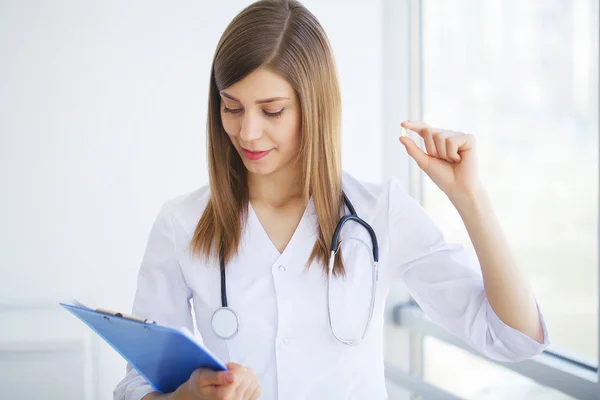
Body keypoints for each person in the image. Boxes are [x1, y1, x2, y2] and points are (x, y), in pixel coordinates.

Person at [113, 0, 550, 399]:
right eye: (231, 107)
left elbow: (513, 338)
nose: (247, 132)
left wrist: (470, 198)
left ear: (314, 106)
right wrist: (185, 397)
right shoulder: (181, 223)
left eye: (272, 111)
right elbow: (135, 385)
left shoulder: (382, 215)